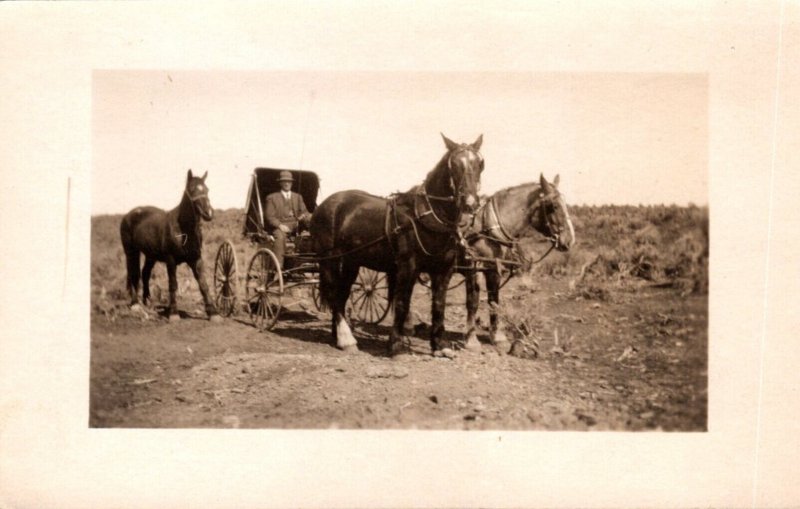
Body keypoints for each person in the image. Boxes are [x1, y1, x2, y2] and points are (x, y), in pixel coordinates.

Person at [264, 171, 311, 268]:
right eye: (284, 181)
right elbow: (270, 217)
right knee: (280, 237)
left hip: (296, 226)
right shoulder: (272, 198)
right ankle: (278, 268)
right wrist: (280, 225)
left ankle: (303, 264)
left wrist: (303, 216)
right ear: (280, 183)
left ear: (292, 183)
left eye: (289, 181)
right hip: (279, 227)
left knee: (308, 236)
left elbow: (304, 212)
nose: (287, 184)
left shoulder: (298, 197)